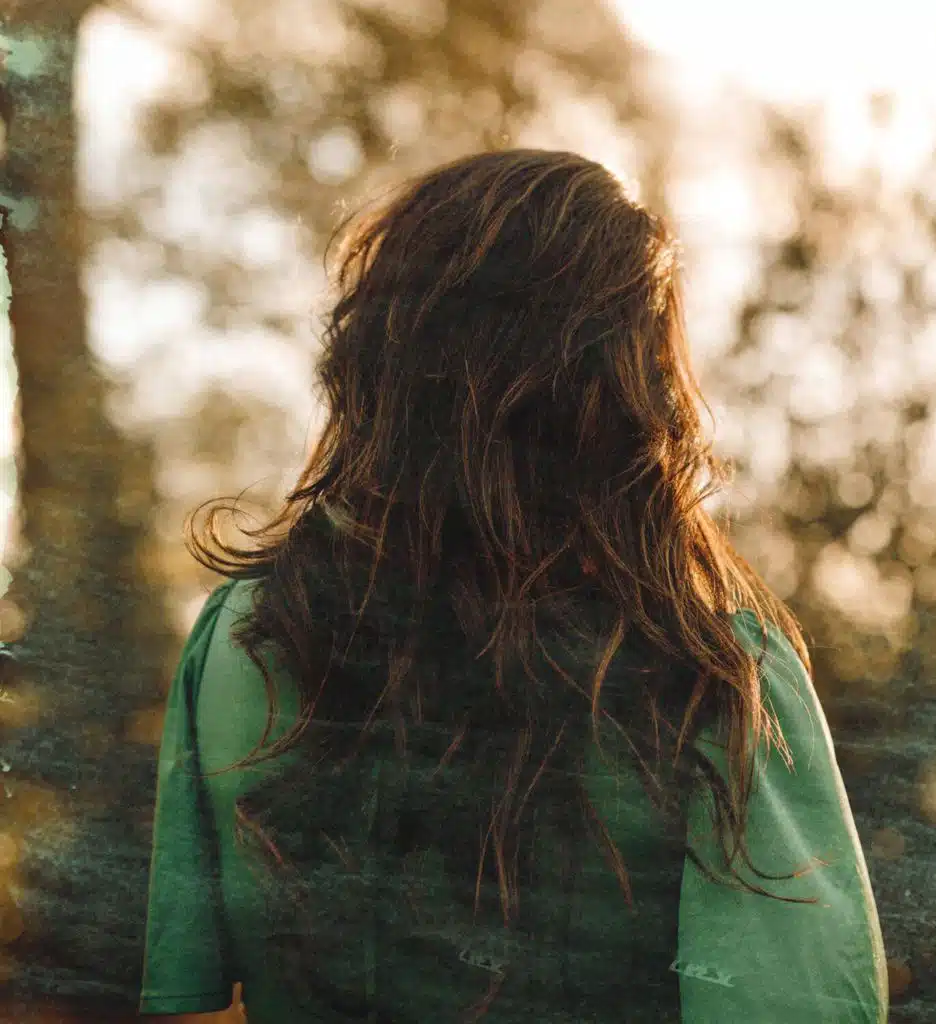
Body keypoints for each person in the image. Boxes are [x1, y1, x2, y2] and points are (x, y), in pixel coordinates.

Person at [138, 148, 888, 1023]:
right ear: (621, 385)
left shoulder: (245, 634)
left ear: (378, 359)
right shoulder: (713, 667)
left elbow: (182, 994)